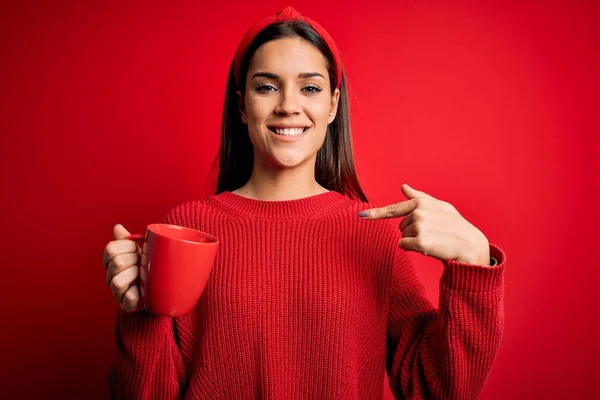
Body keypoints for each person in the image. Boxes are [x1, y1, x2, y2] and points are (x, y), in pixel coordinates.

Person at [102, 6, 505, 400]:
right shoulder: (188, 228)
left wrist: (472, 262)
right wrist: (138, 312)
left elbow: (436, 389)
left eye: (309, 87)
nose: (288, 105)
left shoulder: (373, 236)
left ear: (332, 105)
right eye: (267, 86)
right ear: (243, 106)